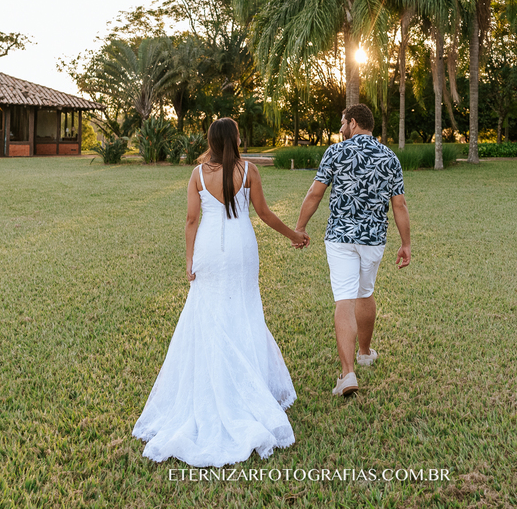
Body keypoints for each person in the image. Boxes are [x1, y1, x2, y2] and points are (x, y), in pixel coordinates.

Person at [132, 117, 308, 467]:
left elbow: (191, 221)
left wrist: (189, 260)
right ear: (236, 138)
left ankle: (218, 385)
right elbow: (264, 214)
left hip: (209, 251)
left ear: (210, 140)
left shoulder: (197, 174)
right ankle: (245, 385)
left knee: (209, 314)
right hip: (242, 250)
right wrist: (293, 234)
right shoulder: (249, 172)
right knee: (243, 311)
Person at [293, 104, 411, 397]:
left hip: (340, 238)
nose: (341, 129)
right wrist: (406, 244)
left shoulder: (336, 152)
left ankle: (347, 374)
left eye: (343, 123)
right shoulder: (390, 157)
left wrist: (300, 227)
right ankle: (365, 352)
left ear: (354, 123)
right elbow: (400, 205)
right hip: (373, 239)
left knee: (344, 299)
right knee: (365, 293)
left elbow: (315, 193)